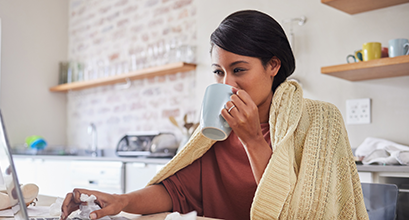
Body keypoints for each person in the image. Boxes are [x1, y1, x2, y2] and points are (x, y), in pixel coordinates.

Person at [61, 10, 368, 220]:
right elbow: (176, 191)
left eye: (239, 70)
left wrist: (252, 139)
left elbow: (299, 213)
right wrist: (121, 201)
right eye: (219, 72)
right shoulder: (214, 132)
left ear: (273, 66)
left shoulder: (320, 121)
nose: (227, 85)